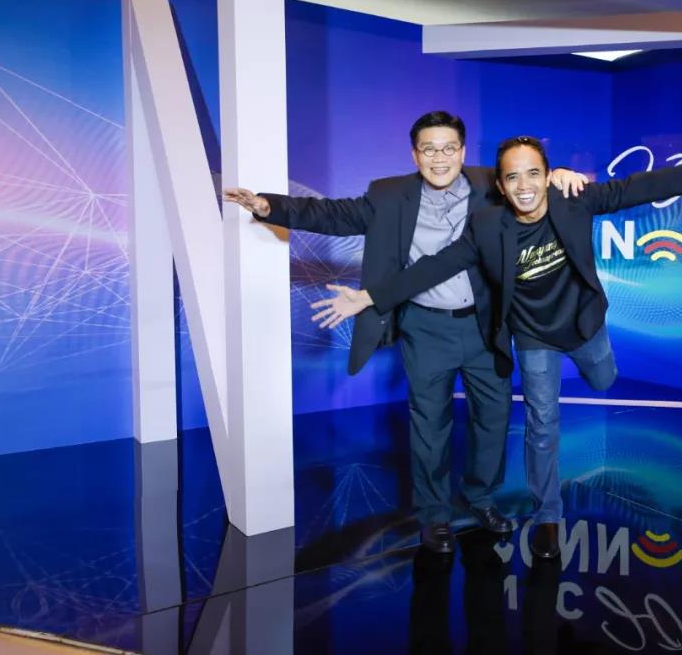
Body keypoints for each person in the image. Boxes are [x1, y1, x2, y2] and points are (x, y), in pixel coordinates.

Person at [309, 127, 682, 558]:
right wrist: (368, 297)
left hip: (582, 325)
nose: (524, 185)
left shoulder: (573, 200)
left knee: (603, 378)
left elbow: (637, 188)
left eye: (534, 174)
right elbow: (436, 265)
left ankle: (597, 362)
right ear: (501, 185)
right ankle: (548, 515)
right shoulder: (487, 225)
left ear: (549, 176)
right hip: (533, 337)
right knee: (542, 423)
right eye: (513, 177)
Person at [223, 111, 587, 554]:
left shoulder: (491, 185)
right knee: (430, 426)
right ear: (415, 155)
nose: (439, 158)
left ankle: (480, 498)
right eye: (429, 149)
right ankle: (434, 515)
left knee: (493, 420)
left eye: (448, 148)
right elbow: (333, 214)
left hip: (483, 325)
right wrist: (268, 206)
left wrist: (560, 175)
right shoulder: (389, 194)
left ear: (462, 151)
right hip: (425, 327)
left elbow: (528, 181)